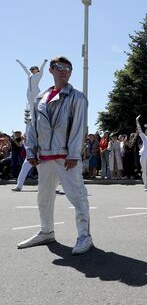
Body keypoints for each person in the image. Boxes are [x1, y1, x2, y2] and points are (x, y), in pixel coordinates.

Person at [17, 56, 93, 254]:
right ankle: (46, 231)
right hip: (45, 156)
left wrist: (74, 154)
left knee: (77, 197)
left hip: (66, 156)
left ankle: (84, 236)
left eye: (68, 68)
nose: (64, 71)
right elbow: (34, 126)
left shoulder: (77, 97)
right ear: (50, 70)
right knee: (44, 197)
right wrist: (31, 150)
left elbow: (79, 127)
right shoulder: (40, 98)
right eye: (59, 67)